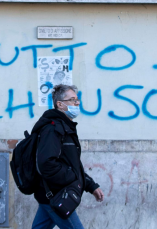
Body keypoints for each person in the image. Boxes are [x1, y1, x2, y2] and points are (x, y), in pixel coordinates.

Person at [31, 84, 104, 229]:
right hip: (57, 195)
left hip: (51, 195)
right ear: (60, 104)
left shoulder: (65, 127)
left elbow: (72, 163)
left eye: (77, 100)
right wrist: (72, 178)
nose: (77, 103)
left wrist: (90, 185)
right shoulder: (52, 129)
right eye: (72, 100)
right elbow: (46, 164)